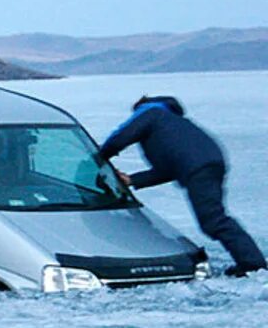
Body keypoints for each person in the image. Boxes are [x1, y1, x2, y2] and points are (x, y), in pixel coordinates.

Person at [101, 95, 266, 277]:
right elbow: (169, 169)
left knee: (214, 220)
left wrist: (100, 157)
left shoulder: (151, 112)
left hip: (199, 167)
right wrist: (132, 180)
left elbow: (122, 135)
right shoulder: (171, 124)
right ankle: (251, 263)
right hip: (208, 164)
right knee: (213, 219)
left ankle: (254, 265)